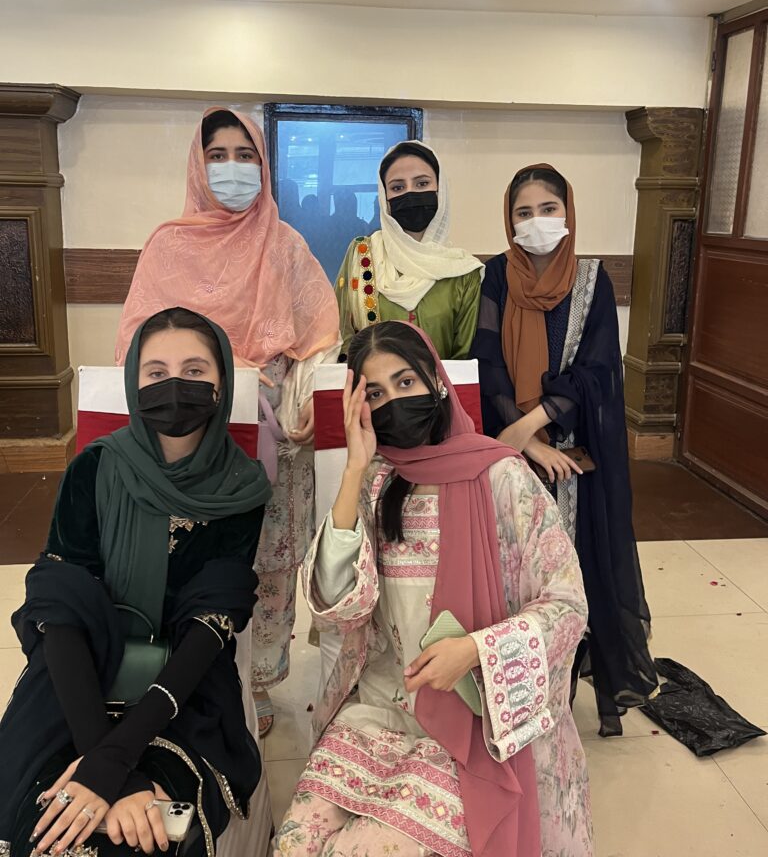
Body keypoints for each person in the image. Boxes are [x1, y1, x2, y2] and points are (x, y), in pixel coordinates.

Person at [275, 321, 592, 857]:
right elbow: (333, 600)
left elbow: (567, 606)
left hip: (474, 722)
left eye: (405, 383)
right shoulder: (377, 484)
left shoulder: (503, 478)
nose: (393, 400)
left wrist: (473, 651)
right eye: (374, 392)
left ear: (437, 383)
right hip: (382, 706)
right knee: (296, 845)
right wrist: (353, 469)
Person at [0, 308, 272, 857]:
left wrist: (114, 759)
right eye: (156, 372)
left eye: (195, 370)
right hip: (76, 673)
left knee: (148, 841)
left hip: (185, 685)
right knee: (44, 827)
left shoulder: (241, 490)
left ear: (222, 383)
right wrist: (108, 766)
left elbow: (208, 627)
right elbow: (61, 608)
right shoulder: (94, 470)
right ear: (134, 382)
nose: (176, 385)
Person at [115, 109, 340, 736]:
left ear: (264, 168)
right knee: (191, 559)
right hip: (184, 436)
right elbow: (134, 341)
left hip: (267, 437)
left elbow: (321, 336)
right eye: (219, 155)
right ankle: (187, 673)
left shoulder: (285, 242)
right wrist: (212, 371)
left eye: (247, 155)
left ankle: (259, 681)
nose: (234, 168)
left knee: (263, 564)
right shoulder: (168, 246)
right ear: (198, 162)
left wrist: (297, 403)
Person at [470, 164, 657, 736]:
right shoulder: (498, 276)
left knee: (571, 571)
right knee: (514, 575)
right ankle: (518, 688)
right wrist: (518, 438)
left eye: (548, 209)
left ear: (569, 213)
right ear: (509, 221)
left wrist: (534, 429)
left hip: (573, 452)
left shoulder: (593, 278)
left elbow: (596, 369)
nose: (537, 222)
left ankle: (568, 679)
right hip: (512, 450)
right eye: (523, 213)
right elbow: (487, 360)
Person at [335, 140, 483, 360]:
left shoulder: (462, 272)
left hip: (441, 392)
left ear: (440, 190)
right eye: (397, 187)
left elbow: (464, 359)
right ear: (385, 198)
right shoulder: (362, 253)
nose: (410, 193)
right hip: (369, 390)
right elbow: (342, 336)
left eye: (422, 184)